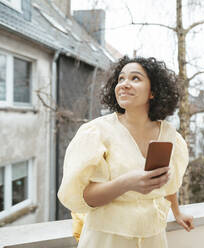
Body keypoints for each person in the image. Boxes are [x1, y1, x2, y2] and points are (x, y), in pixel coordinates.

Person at [57, 56, 194, 248]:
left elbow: (169, 185)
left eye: (135, 78)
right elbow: (87, 197)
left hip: (152, 238)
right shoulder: (97, 132)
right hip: (106, 239)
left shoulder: (170, 135)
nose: (124, 84)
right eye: (121, 79)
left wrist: (177, 213)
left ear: (153, 91)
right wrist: (127, 183)